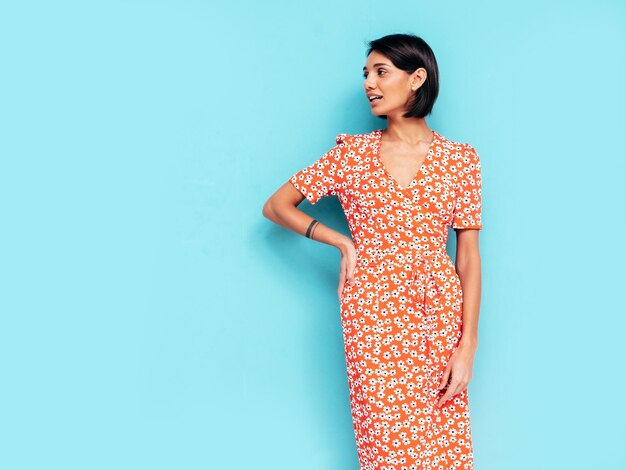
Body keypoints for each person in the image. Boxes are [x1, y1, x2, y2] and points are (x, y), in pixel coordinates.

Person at [262, 33, 482, 470]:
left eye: (381, 72)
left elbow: (469, 256)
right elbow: (276, 206)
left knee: (442, 435)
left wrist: (468, 344)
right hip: (373, 308)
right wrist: (340, 239)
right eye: (366, 74)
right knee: (384, 439)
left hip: (439, 308)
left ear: (417, 78)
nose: (369, 83)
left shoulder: (461, 159)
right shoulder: (352, 155)